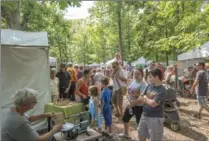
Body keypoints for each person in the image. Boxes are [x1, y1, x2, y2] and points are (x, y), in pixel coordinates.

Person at [131, 68, 166, 141]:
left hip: (155, 118)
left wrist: (145, 98)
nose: (149, 79)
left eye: (150, 77)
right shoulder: (149, 86)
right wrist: (147, 100)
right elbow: (140, 97)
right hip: (144, 115)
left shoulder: (162, 90)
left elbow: (153, 104)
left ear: (156, 77)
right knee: (141, 135)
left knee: (155, 138)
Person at [119, 68, 147, 139]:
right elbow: (128, 92)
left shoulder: (144, 84)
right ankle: (126, 133)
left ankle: (140, 137)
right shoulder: (133, 81)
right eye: (135, 73)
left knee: (139, 123)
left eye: (138, 73)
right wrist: (129, 101)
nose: (136, 75)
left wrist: (133, 103)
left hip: (139, 107)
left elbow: (142, 97)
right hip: (130, 104)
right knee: (125, 118)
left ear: (142, 74)